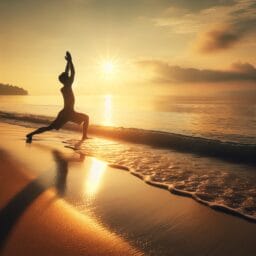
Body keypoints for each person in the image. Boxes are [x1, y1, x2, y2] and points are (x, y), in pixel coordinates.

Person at [26, 51, 89, 143]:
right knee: (86, 118)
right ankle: (84, 136)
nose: (69, 77)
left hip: (66, 113)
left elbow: (67, 73)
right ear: (66, 80)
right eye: (67, 77)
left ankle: (30, 134)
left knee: (50, 127)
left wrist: (67, 62)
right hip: (69, 113)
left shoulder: (65, 86)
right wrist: (71, 61)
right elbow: (73, 72)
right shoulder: (68, 86)